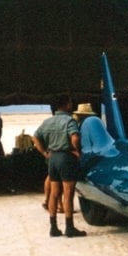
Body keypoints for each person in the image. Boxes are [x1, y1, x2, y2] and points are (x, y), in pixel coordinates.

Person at [32, 94, 87, 238]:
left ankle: (54, 228)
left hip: (53, 158)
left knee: (54, 194)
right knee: (68, 194)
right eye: (70, 102)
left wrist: (44, 152)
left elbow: (35, 137)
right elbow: (75, 137)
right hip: (66, 157)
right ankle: (69, 228)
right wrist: (78, 151)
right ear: (67, 104)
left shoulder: (48, 121)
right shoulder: (70, 121)